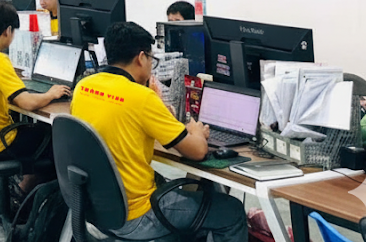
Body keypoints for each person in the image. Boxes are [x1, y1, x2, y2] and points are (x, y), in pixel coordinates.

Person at [70, 21, 247, 242]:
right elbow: (198, 151)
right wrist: (196, 131)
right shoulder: (141, 97)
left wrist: (159, 109)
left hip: (98, 210)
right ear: (141, 58)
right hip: (138, 216)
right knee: (231, 211)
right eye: (151, 59)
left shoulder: (84, 86)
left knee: (195, 197)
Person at [0, 0, 70, 195]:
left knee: (35, 132)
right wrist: (51, 94)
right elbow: (26, 103)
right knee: (56, 137)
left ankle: (21, 193)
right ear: (8, 31)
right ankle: (24, 195)